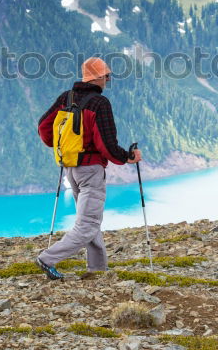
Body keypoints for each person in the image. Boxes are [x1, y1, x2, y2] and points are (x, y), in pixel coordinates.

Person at [35, 56, 142, 279]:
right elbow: (107, 144)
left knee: (88, 219)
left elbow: (44, 126)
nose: (108, 80)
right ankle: (48, 258)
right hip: (91, 170)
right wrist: (127, 157)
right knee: (89, 223)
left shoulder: (66, 97)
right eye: (108, 76)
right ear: (100, 77)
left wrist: (57, 145)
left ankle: (97, 269)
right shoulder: (99, 104)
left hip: (71, 168)